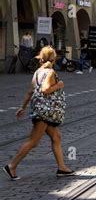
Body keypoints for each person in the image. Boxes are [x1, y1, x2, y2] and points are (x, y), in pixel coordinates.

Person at [3, 46, 74, 180]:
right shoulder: (50, 72)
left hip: (40, 110)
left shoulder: (37, 72)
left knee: (57, 137)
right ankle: (11, 166)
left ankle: (62, 168)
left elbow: (30, 92)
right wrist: (59, 85)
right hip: (45, 112)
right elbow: (46, 89)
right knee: (33, 141)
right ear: (54, 59)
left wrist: (22, 107)